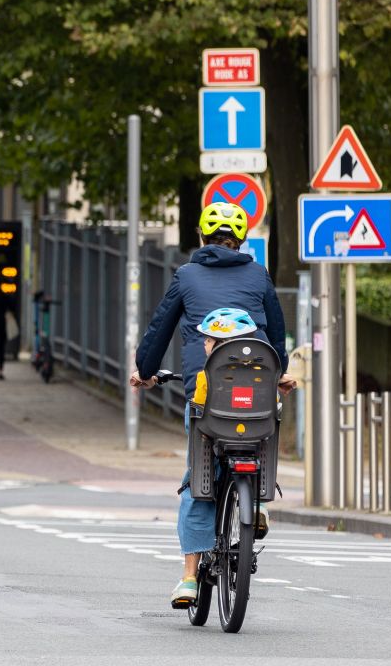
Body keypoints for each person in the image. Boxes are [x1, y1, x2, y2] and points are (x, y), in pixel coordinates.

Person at [129, 201, 288, 609]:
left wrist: (146, 371)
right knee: (261, 431)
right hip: (258, 386)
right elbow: (278, 332)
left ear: (201, 236)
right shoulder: (258, 274)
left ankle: (187, 578)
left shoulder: (186, 276)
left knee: (198, 480)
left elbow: (158, 330)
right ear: (241, 240)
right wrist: (278, 371)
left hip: (205, 394)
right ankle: (259, 501)